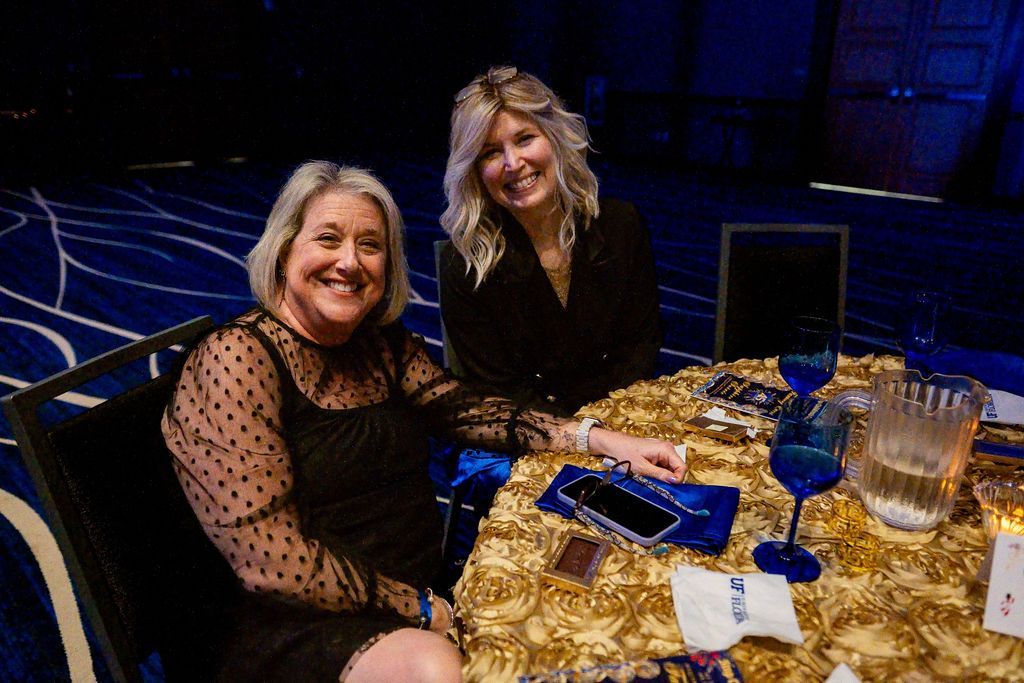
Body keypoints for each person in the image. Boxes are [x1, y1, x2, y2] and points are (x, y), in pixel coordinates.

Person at [162, 161, 686, 682]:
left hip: (416, 592)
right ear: (283, 251)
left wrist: (596, 438)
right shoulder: (236, 359)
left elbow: (465, 409)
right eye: (328, 239)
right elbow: (270, 562)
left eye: (370, 245)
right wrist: (419, 608)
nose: (349, 262)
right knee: (437, 665)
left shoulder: (378, 344)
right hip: (292, 624)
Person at [439, 65, 662, 417]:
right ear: (475, 171)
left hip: (624, 417)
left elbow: (641, 347)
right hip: (533, 433)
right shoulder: (465, 264)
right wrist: (584, 436)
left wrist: (612, 424)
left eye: (524, 139)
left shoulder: (622, 224)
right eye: (490, 152)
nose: (513, 163)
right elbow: (500, 394)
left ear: (555, 137)